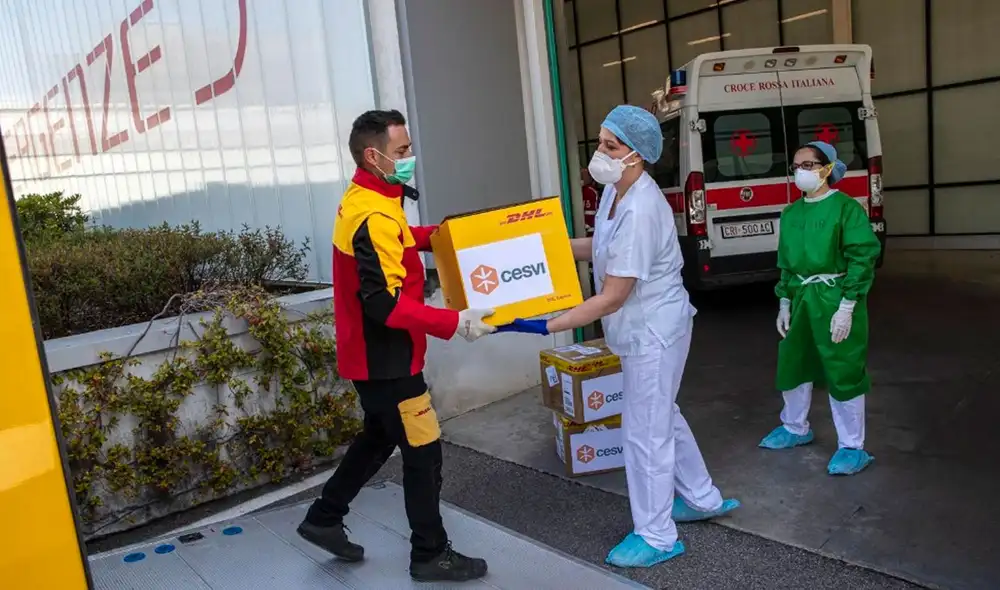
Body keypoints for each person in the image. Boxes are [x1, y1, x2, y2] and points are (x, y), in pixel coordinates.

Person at [497, 105, 739, 568]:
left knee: (645, 432)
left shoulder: (644, 208)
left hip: (653, 331)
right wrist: (552, 248)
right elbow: (602, 246)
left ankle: (657, 534)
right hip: (639, 328)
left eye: (611, 146)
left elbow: (611, 296)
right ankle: (703, 498)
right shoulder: (615, 192)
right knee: (662, 413)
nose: (600, 154)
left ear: (637, 155)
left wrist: (544, 323)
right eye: (601, 142)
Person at [296, 109, 495, 583]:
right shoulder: (373, 215)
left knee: (379, 437)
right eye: (402, 152)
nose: (409, 159)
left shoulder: (372, 197)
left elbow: (402, 243)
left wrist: (445, 236)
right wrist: (454, 321)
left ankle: (323, 519)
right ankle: (430, 553)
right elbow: (383, 305)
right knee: (424, 453)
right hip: (387, 359)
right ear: (374, 154)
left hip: (373, 357)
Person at [758, 141, 882, 476]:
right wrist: (784, 299)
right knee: (794, 362)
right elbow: (786, 262)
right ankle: (795, 427)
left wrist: (848, 304)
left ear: (827, 168)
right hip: (801, 296)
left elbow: (863, 256)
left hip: (835, 295)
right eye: (796, 166)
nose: (800, 172)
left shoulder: (845, 209)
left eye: (808, 165)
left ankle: (852, 446)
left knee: (843, 367)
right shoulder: (791, 213)